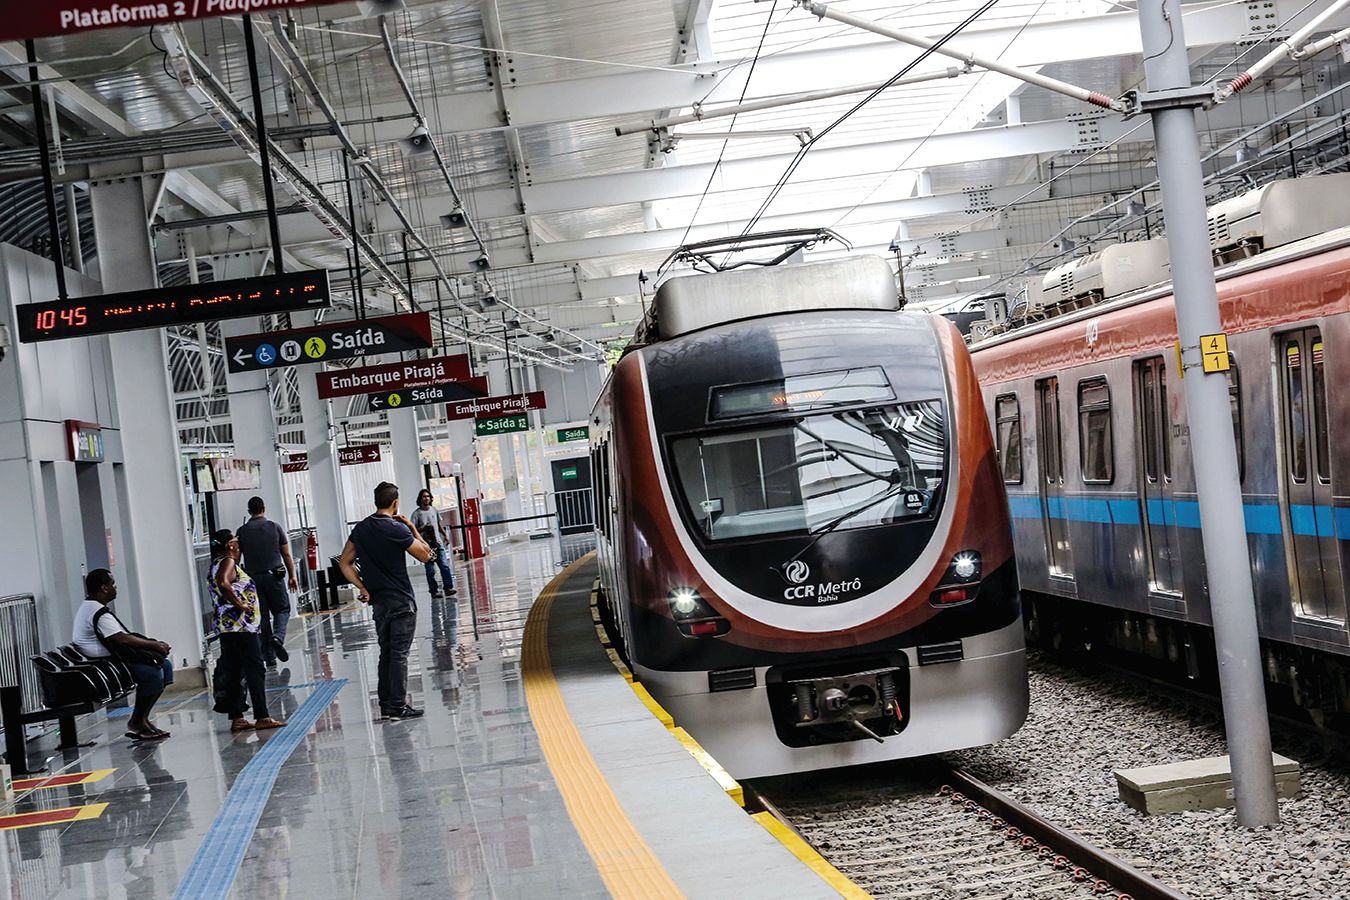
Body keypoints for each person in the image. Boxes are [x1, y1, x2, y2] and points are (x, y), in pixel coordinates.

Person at [339, 482, 432, 720]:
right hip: (401, 601)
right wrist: (412, 528)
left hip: (379, 603)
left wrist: (362, 586)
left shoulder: (361, 528)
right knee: (399, 655)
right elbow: (426, 555)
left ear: (376, 501)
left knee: (386, 653)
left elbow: (344, 562)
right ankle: (397, 706)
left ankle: (386, 705)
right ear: (395, 503)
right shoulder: (397, 529)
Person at [73, 569, 174, 741]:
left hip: (110, 661)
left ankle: (141, 718)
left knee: (165, 665)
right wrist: (155, 645)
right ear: (104, 588)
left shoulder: (93, 607)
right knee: (152, 673)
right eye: (113, 584)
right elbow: (121, 638)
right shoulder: (97, 612)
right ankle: (137, 721)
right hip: (105, 665)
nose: (116, 588)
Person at [209, 529, 287, 732]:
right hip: (242, 626)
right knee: (255, 668)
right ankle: (262, 716)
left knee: (234, 669)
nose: (239, 544)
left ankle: (237, 717)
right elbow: (223, 582)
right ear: (230, 545)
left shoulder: (216, 563)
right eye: (236, 541)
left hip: (227, 627)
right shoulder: (228, 562)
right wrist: (240, 604)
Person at [236, 497, 295, 667]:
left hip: (253, 580)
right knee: (282, 610)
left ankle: (269, 657)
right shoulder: (275, 527)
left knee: (261, 617)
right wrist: (292, 575)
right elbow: (286, 554)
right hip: (274, 577)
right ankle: (278, 637)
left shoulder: (241, 531)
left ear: (249, 512)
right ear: (264, 508)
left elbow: (237, 559)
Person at [410, 488, 457, 598]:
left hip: (438, 543)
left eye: (428, 496)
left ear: (431, 498)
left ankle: (448, 588)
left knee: (444, 566)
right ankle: (434, 591)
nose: (426, 498)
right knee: (430, 570)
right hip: (426, 546)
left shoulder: (434, 510)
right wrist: (423, 528)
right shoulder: (416, 514)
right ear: (420, 499)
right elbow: (413, 530)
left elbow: (438, 525)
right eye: (424, 497)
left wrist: (445, 535)